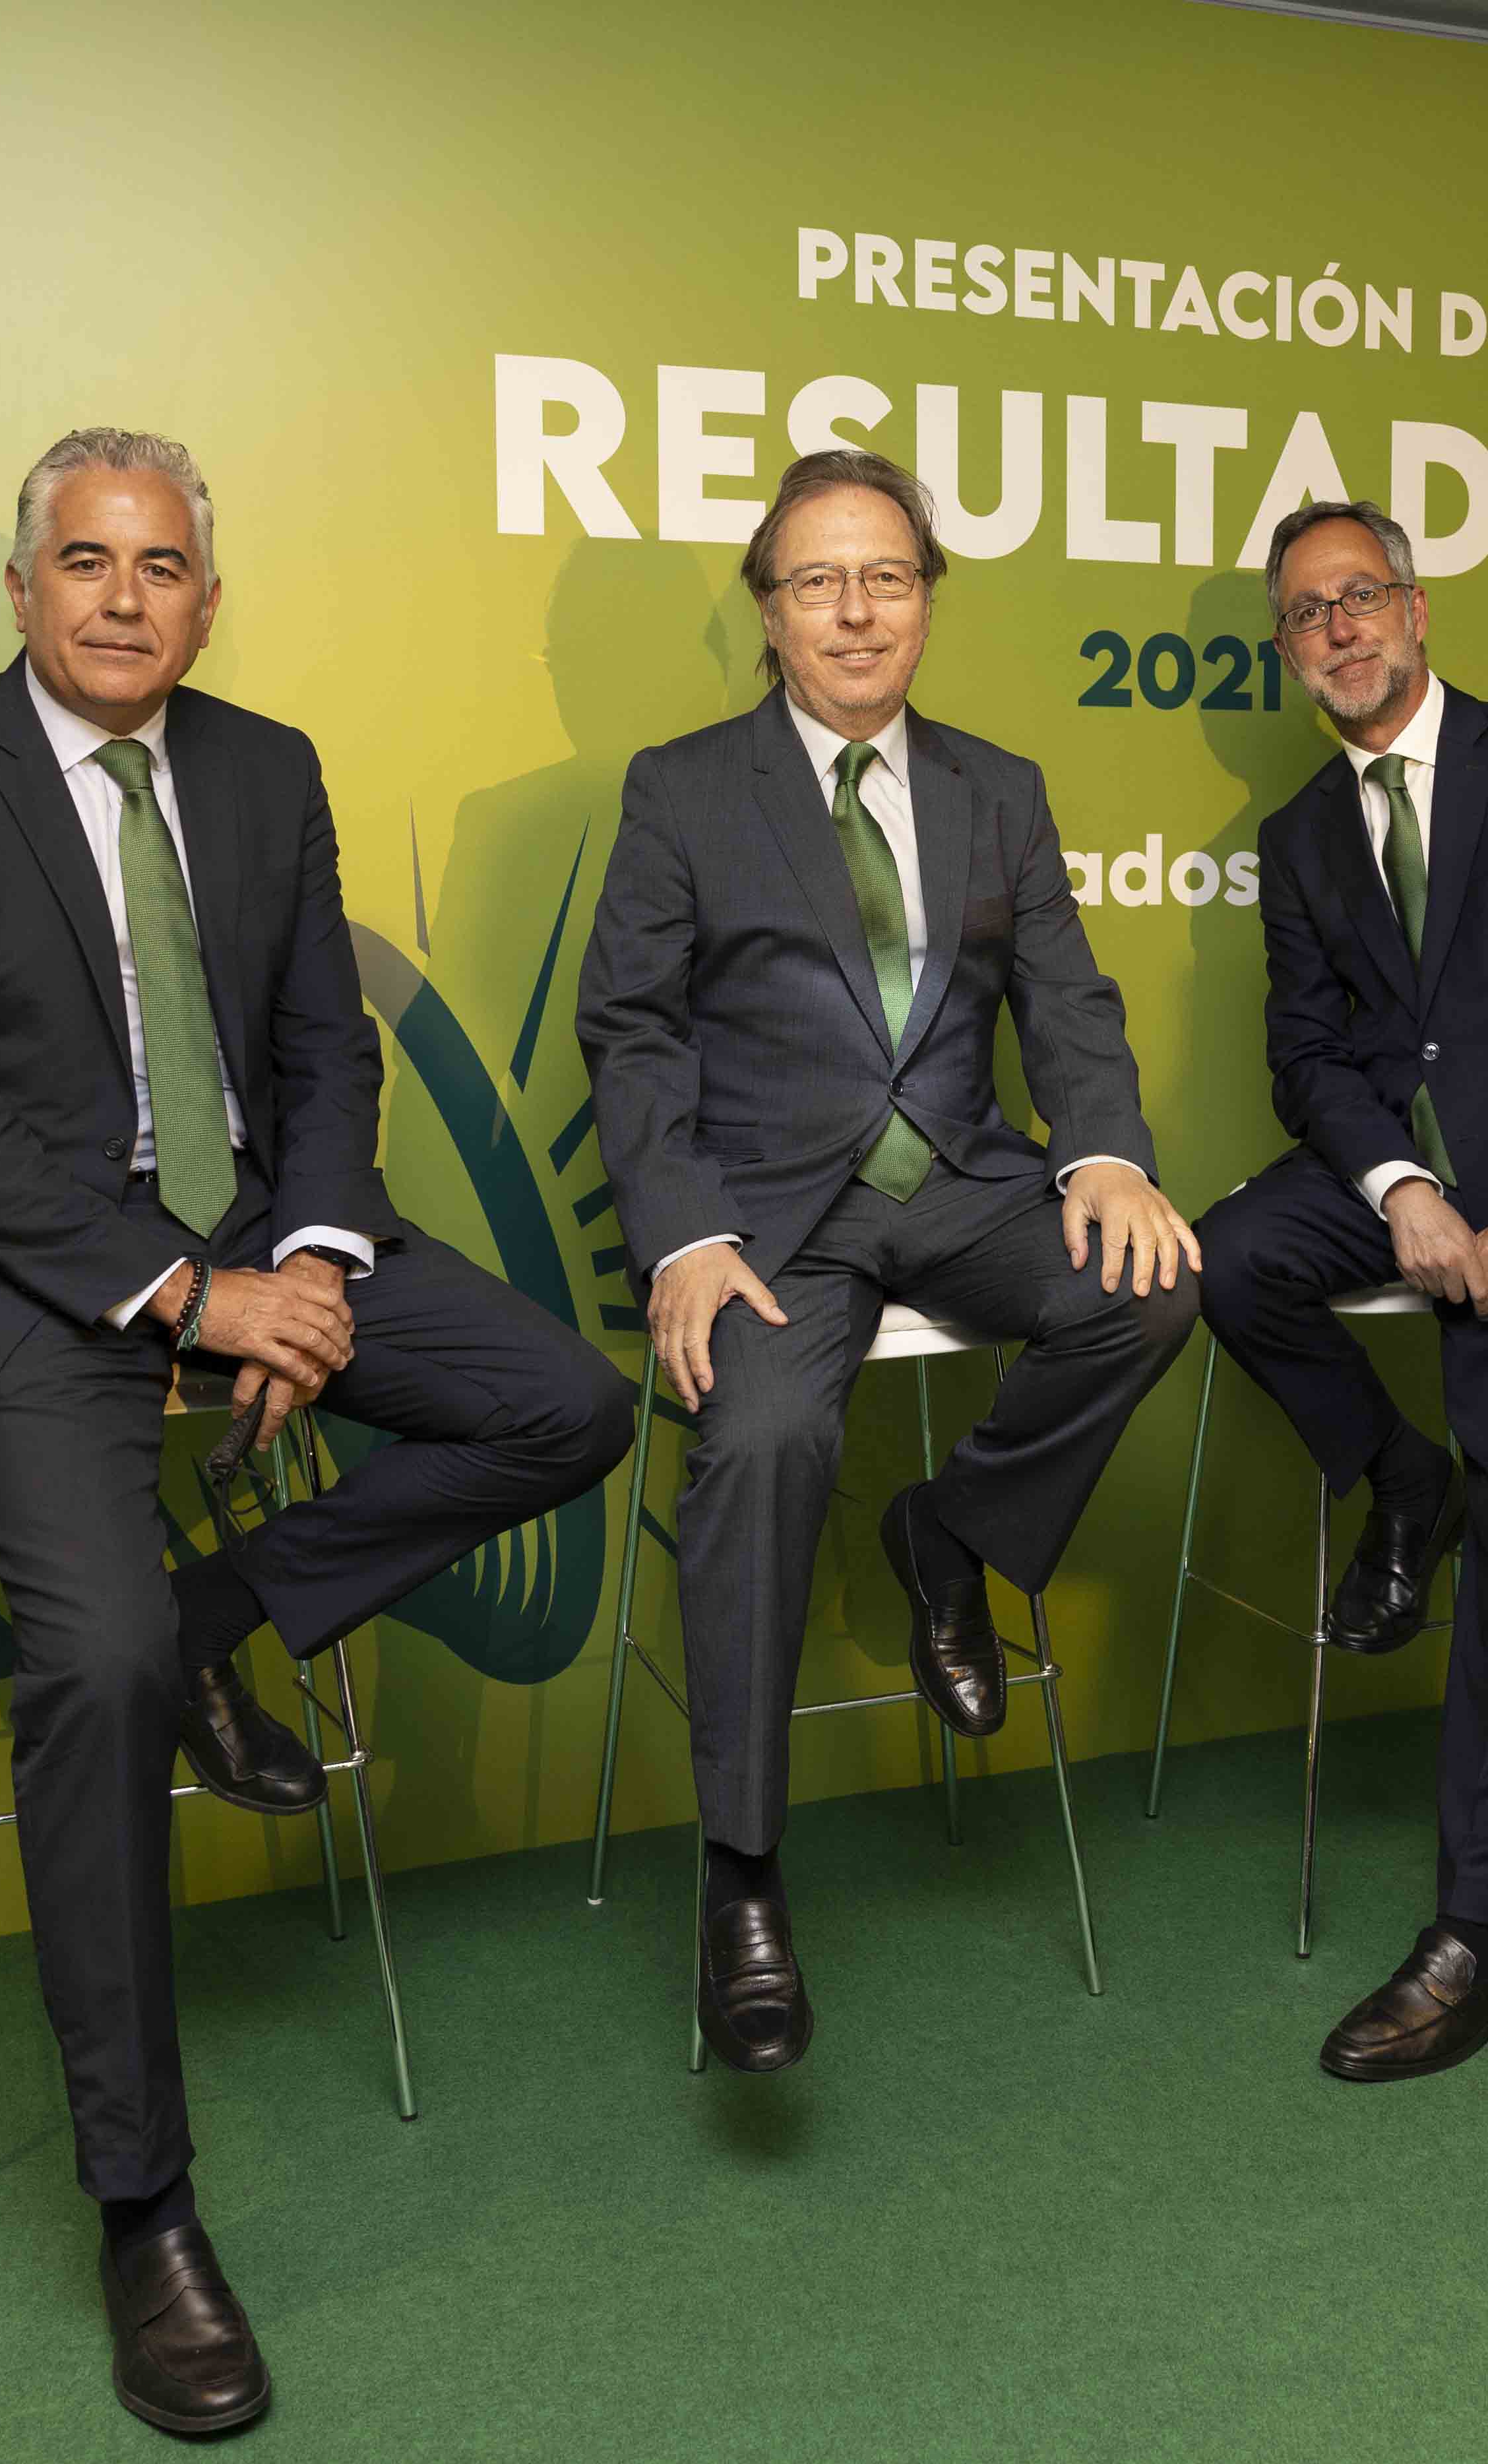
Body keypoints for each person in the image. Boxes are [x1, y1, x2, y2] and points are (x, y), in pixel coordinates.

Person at [0, 427, 634, 2435]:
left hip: (269, 1231)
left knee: (569, 1404)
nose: (124, 597)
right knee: (85, 1661)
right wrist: (191, 1297)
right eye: (86, 561)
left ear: (205, 595)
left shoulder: (264, 768)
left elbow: (321, 1048)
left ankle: (215, 1618)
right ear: (23, 587)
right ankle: (144, 2205)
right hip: (27, 1285)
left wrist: (317, 1260)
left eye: (161, 565)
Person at [574, 447, 1202, 2073]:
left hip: (966, 1186)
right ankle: (743, 1876)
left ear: (927, 600)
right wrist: (685, 1231)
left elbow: (1066, 998)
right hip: (771, 1213)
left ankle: (950, 1531)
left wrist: (1107, 1149)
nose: (855, 611)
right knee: (765, 1434)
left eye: (887, 578)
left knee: (1148, 1285)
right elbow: (630, 1030)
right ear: (768, 609)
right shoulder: (683, 787)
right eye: (818, 582)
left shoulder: (999, 786)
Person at [1193, 500, 1488, 2084]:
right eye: (1305, 613)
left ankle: (1486, 1934)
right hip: (1416, 1183)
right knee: (1232, 1257)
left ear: (1416, 607)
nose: (1337, 629)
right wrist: (1400, 1188)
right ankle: (1404, 1482)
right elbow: (1307, 1057)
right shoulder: (1299, 836)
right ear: (1289, 648)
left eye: (1360, 596)